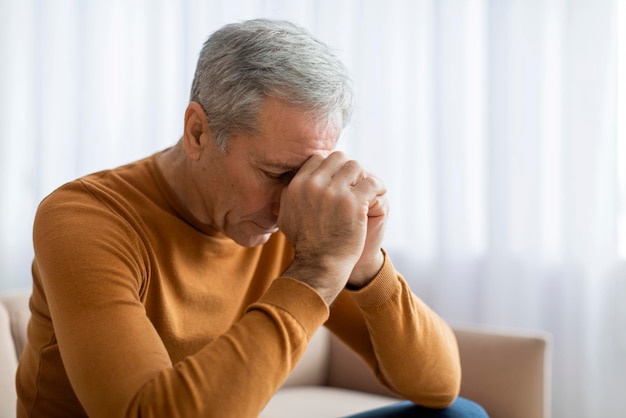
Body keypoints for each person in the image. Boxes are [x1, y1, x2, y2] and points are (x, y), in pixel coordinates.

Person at [16, 19, 487, 418]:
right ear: (198, 132)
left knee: (458, 415)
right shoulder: (86, 217)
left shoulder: (300, 217)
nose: (291, 204)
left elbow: (439, 385)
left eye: (308, 174)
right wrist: (317, 272)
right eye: (277, 173)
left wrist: (366, 265)